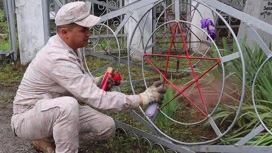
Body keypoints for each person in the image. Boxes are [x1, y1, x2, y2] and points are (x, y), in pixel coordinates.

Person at [10, 1, 166, 153]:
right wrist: (141, 98)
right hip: (27, 117)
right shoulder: (57, 57)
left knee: (106, 126)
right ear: (65, 32)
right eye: (83, 30)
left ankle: (50, 139)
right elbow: (97, 99)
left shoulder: (70, 47)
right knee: (67, 106)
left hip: (51, 111)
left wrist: (96, 82)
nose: (88, 33)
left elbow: (75, 81)